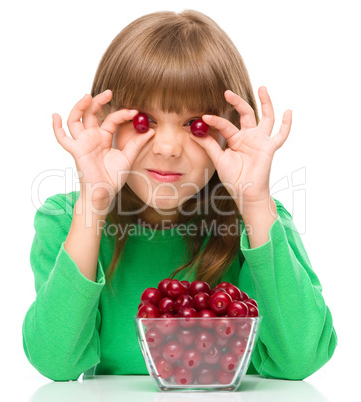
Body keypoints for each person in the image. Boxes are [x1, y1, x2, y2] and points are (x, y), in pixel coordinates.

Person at [22, 10, 337, 382]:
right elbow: (55, 363)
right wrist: (93, 202)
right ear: (106, 119)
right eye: (145, 121)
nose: (169, 147)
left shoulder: (259, 221)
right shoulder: (67, 219)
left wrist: (254, 203)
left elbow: (301, 360)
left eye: (196, 124)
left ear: (229, 131)